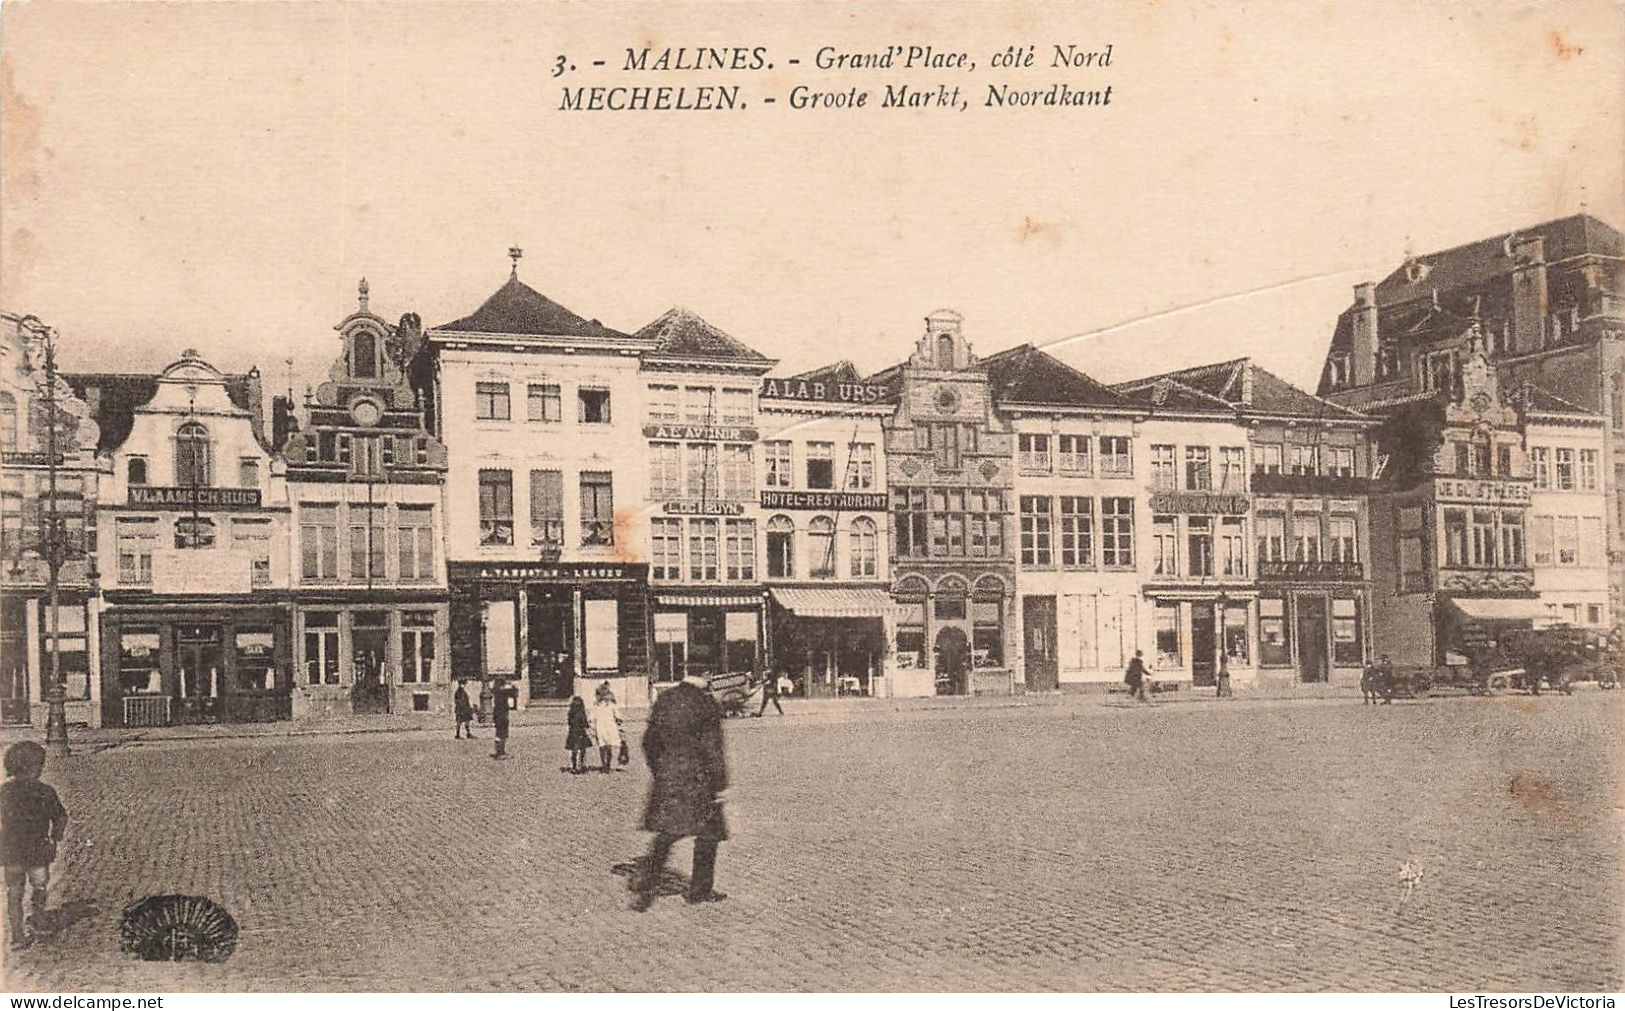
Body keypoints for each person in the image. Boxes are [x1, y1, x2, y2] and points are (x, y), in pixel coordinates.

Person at [632, 671, 729, 910]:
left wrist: (660, 770)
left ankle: (648, 878)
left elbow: (648, 742)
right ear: (708, 675)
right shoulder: (706, 704)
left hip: (669, 778)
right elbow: (712, 749)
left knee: (669, 831)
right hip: (699, 780)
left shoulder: (665, 699)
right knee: (709, 833)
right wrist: (720, 783)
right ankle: (699, 891)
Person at [2, 741, 67, 950]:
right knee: (39, 885)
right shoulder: (45, 791)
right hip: (37, 847)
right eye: (40, 765)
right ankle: (38, 920)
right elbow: (60, 816)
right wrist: (55, 837)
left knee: (14, 890)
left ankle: (17, 935)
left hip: (11, 848)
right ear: (34, 767)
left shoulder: (4, 791)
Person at [590, 686, 623, 774]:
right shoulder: (611, 705)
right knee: (608, 747)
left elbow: (592, 718)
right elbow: (618, 716)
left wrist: (592, 728)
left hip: (601, 728)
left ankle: (604, 764)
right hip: (609, 727)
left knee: (602, 747)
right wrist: (619, 721)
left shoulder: (596, 706)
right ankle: (607, 764)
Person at [565, 696, 591, 773]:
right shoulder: (581, 713)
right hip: (581, 733)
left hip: (572, 733)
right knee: (582, 750)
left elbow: (569, 723)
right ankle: (581, 765)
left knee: (574, 751)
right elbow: (585, 723)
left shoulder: (570, 713)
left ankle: (574, 766)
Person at [491, 678, 512, 760]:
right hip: (502, 716)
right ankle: (501, 752)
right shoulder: (502, 694)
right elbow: (514, 692)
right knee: (503, 735)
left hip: (497, 716)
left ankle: (499, 751)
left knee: (498, 735)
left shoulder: (496, 693)